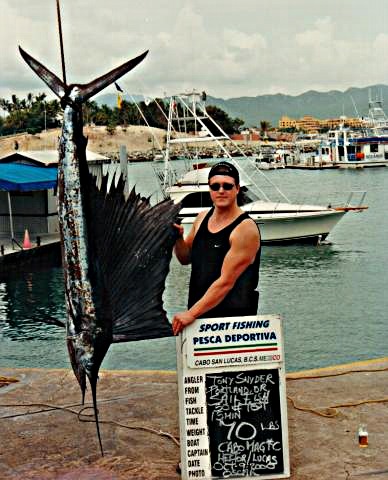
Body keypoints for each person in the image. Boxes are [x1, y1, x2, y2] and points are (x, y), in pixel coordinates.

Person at [172, 161, 261, 335]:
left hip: (233, 324)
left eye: (227, 186)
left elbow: (226, 282)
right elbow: (185, 258)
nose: (221, 190)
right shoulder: (202, 217)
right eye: (215, 186)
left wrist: (190, 314)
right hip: (200, 318)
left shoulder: (245, 228)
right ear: (210, 189)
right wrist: (177, 238)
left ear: (237, 189)